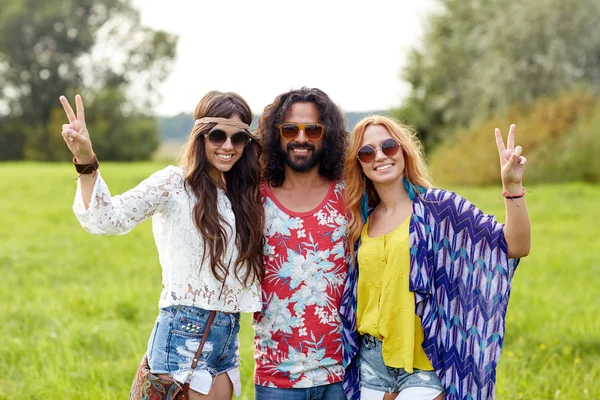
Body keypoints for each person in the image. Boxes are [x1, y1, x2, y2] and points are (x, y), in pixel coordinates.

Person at [58, 91, 265, 400]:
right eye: (218, 135)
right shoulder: (174, 184)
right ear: (200, 136)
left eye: (238, 139)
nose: (227, 146)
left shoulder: (244, 194)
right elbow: (107, 219)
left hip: (227, 339)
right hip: (182, 335)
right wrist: (87, 160)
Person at [341, 116, 531, 400]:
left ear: (404, 151)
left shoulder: (440, 208)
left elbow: (515, 245)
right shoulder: (359, 221)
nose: (379, 156)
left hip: (426, 362)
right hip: (370, 363)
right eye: (367, 152)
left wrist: (512, 186)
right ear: (360, 164)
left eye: (388, 146)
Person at [252, 87, 350, 400]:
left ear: (328, 135)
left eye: (313, 129)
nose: (302, 138)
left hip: (343, 375)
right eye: (290, 129)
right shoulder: (254, 199)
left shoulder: (351, 196)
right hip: (275, 379)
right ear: (275, 135)